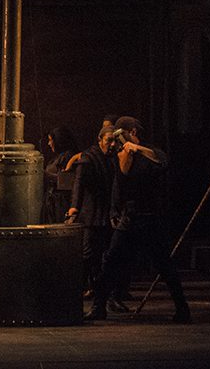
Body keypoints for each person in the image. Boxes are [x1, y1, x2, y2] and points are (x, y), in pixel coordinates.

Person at [87, 117, 191, 323]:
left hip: (150, 217)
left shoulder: (150, 152)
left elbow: (162, 162)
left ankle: (183, 309)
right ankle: (99, 307)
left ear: (132, 132)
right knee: (110, 262)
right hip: (129, 218)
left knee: (164, 264)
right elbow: (119, 182)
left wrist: (138, 148)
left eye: (121, 134)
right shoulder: (121, 155)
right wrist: (114, 210)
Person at [66, 124, 117, 297]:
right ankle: (78, 288)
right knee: (87, 254)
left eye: (114, 141)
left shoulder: (113, 158)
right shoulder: (89, 158)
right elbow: (79, 183)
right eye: (109, 140)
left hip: (107, 213)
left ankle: (100, 290)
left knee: (105, 254)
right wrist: (74, 207)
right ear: (100, 140)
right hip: (91, 215)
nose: (112, 144)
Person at [42, 125, 79, 224]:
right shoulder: (58, 156)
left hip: (61, 204)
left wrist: (43, 174)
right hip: (53, 202)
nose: (49, 143)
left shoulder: (68, 156)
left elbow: (66, 181)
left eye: (51, 140)